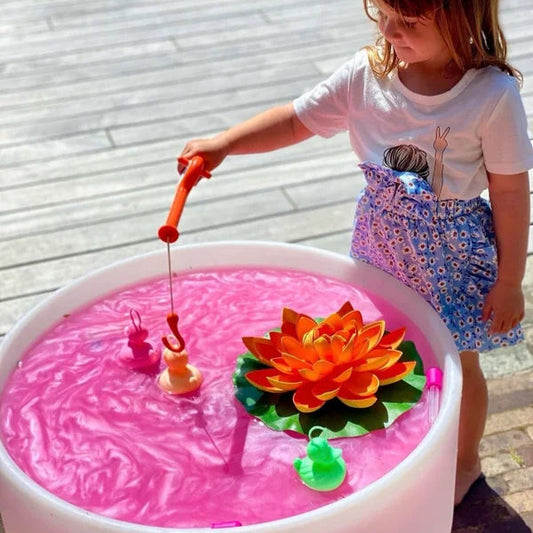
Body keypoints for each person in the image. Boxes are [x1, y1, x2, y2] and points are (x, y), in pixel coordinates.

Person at [179, 0, 533, 505]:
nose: (390, 31)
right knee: (386, 348)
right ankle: (408, 442)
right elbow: (295, 121)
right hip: (380, 244)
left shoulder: (491, 95)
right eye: (383, 14)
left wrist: (509, 280)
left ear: (461, 16)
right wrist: (225, 144)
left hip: (451, 258)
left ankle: (463, 461)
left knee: (458, 363)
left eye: (409, 23)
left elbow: (511, 192)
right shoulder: (367, 75)